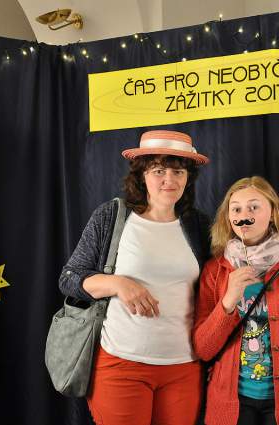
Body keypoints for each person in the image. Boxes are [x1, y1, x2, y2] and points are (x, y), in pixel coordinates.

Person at [58, 130, 211, 425]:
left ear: (188, 178)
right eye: (158, 170)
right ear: (142, 175)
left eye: (178, 171)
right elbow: (69, 277)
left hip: (183, 367)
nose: (169, 179)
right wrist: (118, 284)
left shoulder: (199, 225)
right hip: (121, 364)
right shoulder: (112, 217)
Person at [193, 176, 279, 425]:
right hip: (230, 406)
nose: (245, 215)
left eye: (254, 207)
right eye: (236, 209)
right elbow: (203, 350)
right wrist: (228, 301)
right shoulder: (214, 271)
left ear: (273, 213)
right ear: (228, 218)